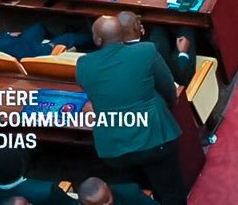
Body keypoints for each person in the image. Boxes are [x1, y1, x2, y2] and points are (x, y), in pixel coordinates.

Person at [75, 16, 187, 204]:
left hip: (115, 147)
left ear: (98, 39)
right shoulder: (146, 51)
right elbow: (168, 89)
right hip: (154, 138)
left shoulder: (84, 65)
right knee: (171, 193)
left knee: (128, 195)